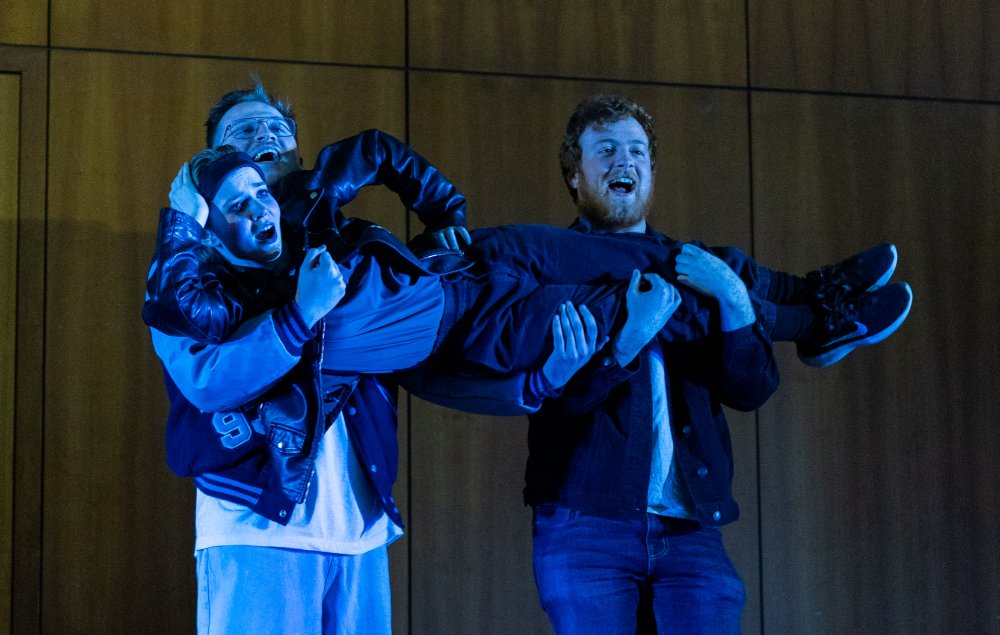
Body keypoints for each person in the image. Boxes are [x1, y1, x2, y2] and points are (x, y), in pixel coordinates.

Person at [519, 94, 912, 633]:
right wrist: (627, 342)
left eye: (636, 150)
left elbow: (752, 389)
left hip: (691, 529)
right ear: (575, 173)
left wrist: (731, 297)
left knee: (730, 272)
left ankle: (822, 305)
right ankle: (821, 321)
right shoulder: (548, 267)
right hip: (586, 523)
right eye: (605, 149)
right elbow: (550, 401)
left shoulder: (696, 266)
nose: (624, 160)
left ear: (651, 172)